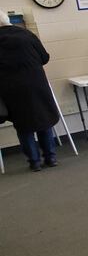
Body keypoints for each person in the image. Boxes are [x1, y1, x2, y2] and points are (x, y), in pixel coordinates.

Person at [0, 9, 59, 171]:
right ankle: (51, 157)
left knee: (23, 125)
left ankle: (34, 162)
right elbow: (44, 58)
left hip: (11, 89)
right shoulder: (26, 35)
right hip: (36, 83)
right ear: (7, 20)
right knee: (44, 119)